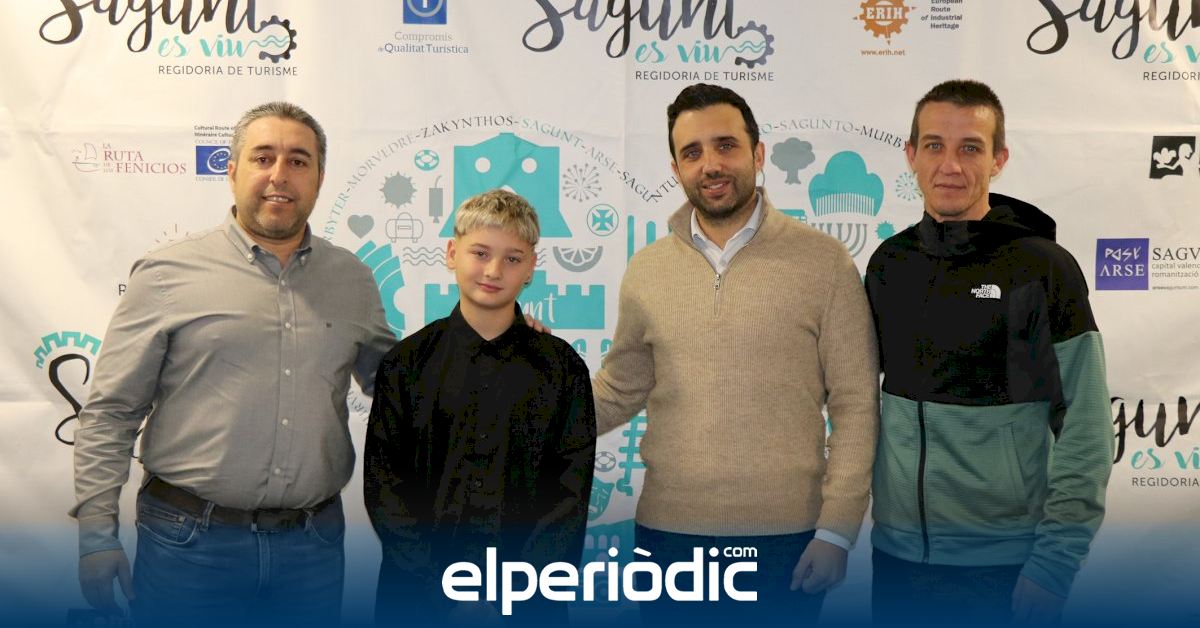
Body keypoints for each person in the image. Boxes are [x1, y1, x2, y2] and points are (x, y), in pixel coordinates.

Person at [70, 101, 395, 625]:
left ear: (318, 177)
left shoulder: (352, 279)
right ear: (232, 170)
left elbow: (403, 384)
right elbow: (111, 412)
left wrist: (506, 338)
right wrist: (96, 537)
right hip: (188, 546)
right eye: (263, 158)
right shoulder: (167, 273)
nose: (279, 175)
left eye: (298, 161)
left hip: (311, 551)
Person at [591, 83, 880, 625]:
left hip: (789, 543)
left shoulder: (824, 262)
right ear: (676, 169)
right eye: (692, 152)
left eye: (725, 145)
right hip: (667, 539)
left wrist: (837, 531)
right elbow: (618, 389)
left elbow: (856, 403)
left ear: (758, 153)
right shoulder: (647, 270)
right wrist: (528, 386)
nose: (711, 164)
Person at [866, 79, 1112, 626]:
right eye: (934, 145)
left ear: (998, 159)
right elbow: (857, 397)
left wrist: (1054, 565)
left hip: (1007, 568)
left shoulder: (1042, 268)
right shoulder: (889, 264)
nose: (950, 165)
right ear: (910, 155)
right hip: (897, 561)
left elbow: (1087, 426)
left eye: (970, 148)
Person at [364, 188, 595, 626]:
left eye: (512, 258)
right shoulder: (406, 364)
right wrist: (441, 590)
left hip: (529, 602)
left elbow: (568, 496)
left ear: (531, 266)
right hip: (417, 598)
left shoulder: (562, 369)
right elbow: (387, 489)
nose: (493, 270)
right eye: (480, 253)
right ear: (452, 253)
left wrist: (517, 590)